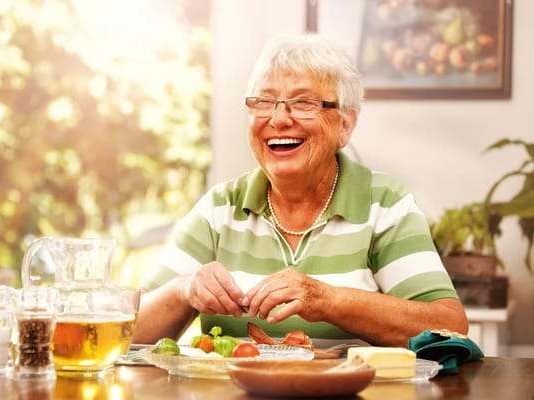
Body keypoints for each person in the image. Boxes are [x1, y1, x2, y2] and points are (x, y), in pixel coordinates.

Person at [133, 34, 468, 347]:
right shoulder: (220, 209)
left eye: (304, 103)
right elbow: (129, 330)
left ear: (345, 125)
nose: (278, 119)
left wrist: (329, 301)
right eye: (264, 101)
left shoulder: (384, 204)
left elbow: (448, 326)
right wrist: (183, 290)